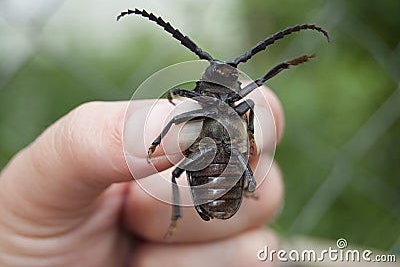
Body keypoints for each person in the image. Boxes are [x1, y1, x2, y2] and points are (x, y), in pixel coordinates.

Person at [0, 86, 284, 266]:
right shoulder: (201, 103)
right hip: (213, 167)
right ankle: (180, 216)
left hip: (227, 166)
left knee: (243, 174)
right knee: (180, 173)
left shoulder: (239, 106)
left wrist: (247, 135)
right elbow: (176, 110)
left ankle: (241, 190)